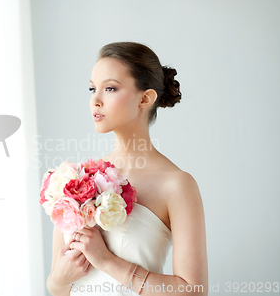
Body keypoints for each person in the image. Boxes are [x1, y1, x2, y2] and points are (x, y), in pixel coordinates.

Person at [46, 42, 208, 295]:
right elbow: (57, 287)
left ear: (145, 98)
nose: (95, 100)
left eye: (110, 88)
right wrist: (59, 279)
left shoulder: (176, 184)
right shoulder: (76, 179)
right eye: (92, 88)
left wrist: (106, 261)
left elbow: (193, 291)